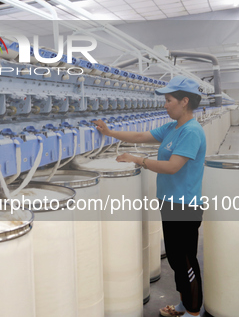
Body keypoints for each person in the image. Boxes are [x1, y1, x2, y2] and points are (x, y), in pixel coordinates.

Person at [92, 75, 206, 317]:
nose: (165, 105)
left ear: (184, 101)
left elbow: (173, 166)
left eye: (168, 100)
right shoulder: (173, 127)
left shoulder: (191, 131)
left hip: (184, 205)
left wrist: (138, 160)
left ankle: (194, 311)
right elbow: (140, 136)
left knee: (185, 262)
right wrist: (110, 132)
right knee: (176, 259)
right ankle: (184, 305)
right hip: (170, 203)